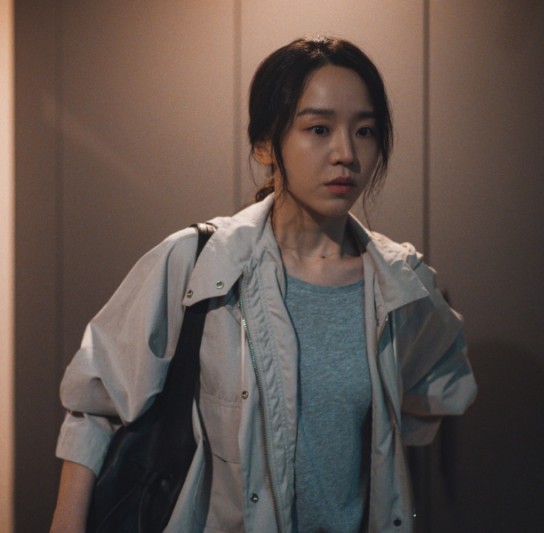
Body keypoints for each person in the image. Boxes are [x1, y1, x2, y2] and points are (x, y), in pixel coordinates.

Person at [50, 37, 477, 532]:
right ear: (265, 144)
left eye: (365, 130)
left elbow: (439, 390)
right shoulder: (199, 263)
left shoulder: (398, 281)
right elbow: (93, 408)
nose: (346, 153)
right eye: (319, 129)